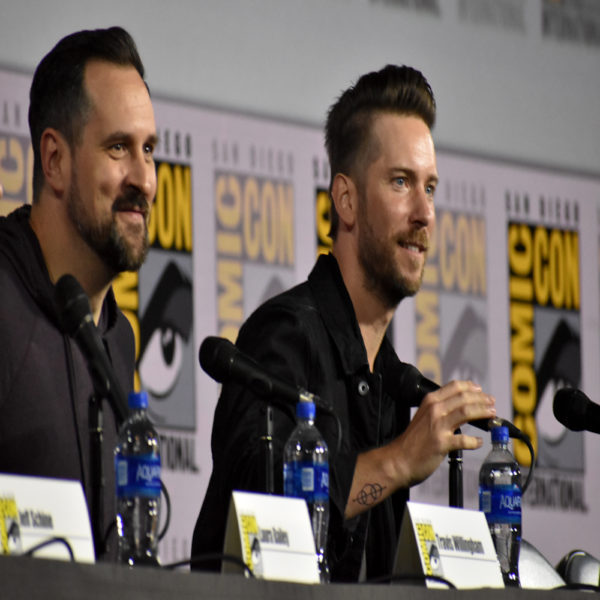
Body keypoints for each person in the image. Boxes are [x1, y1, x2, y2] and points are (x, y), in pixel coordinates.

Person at [191, 64, 496, 582]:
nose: (424, 213)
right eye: (401, 182)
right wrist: (399, 460)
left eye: (430, 188)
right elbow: (261, 520)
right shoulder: (283, 336)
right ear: (347, 200)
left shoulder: (392, 380)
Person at [0, 27, 157, 559]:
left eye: (148, 150)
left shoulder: (119, 338)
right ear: (55, 160)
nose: (144, 179)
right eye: (118, 148)